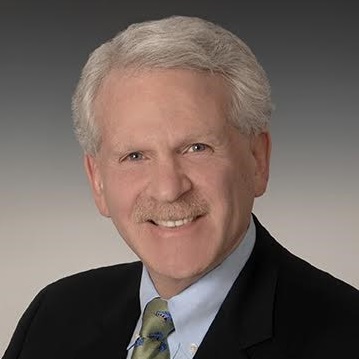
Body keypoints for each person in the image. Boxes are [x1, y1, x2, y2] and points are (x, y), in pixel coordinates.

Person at [3, 16, 359, 359]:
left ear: (257, 160)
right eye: (135, 155)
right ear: (96, 179)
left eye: (196, 148)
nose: (168, 189)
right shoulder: (53, 317)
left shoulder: (346, 336)